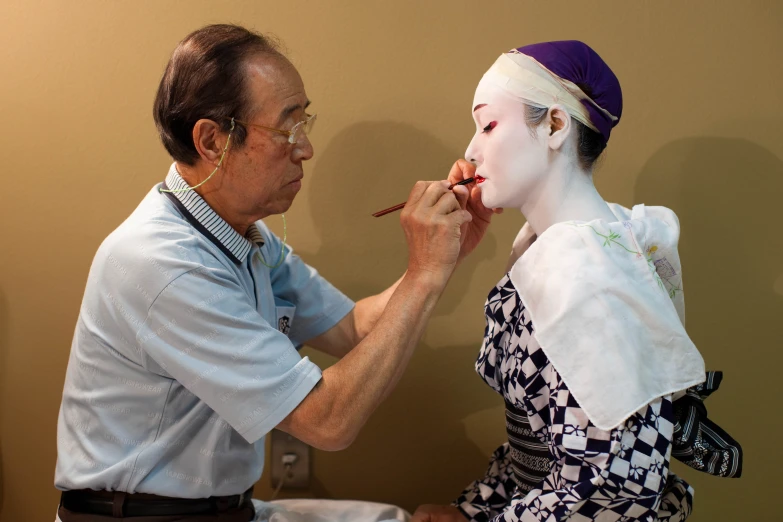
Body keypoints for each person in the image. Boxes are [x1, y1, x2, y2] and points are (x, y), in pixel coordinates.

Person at [53, 24, 496, 522]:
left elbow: (355, 328)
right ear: (211, 140)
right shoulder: (162, 263)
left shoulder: (246, 237)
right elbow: (328, 421)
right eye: (287, 129)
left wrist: (445, 256)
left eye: (305, 123)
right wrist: (423, 275)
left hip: (226, 508)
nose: (305, 149)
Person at [412, 41, 742, 522]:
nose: (471, 149)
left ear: (555, 125)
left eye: (488, 124)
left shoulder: (590, 280)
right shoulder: (555, 251)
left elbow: (617, 487)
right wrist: (472, 510)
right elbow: (539, 450)